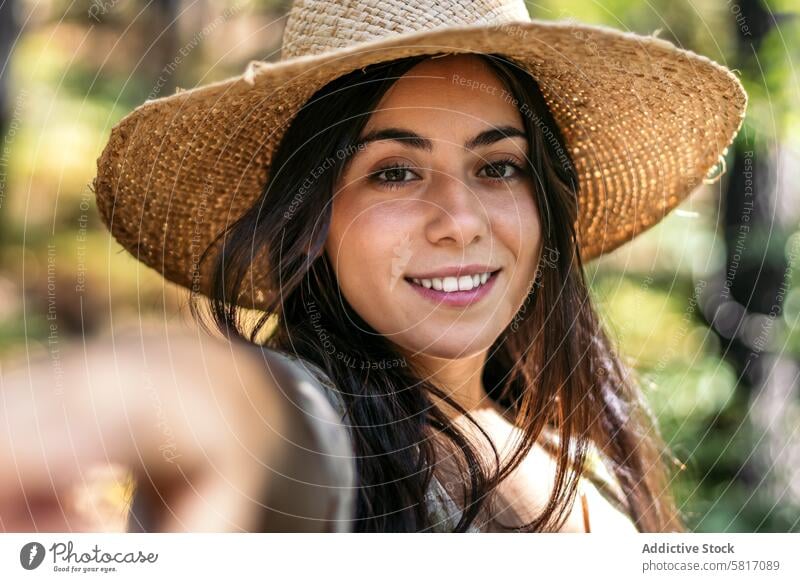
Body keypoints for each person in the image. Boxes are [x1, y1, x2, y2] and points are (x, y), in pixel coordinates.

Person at [1, 0, 747, 533]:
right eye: (394, 172)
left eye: (498, 166)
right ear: (314, 220)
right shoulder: (323, 443)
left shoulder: (579, 453)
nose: (460, 220)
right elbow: (257, 420)